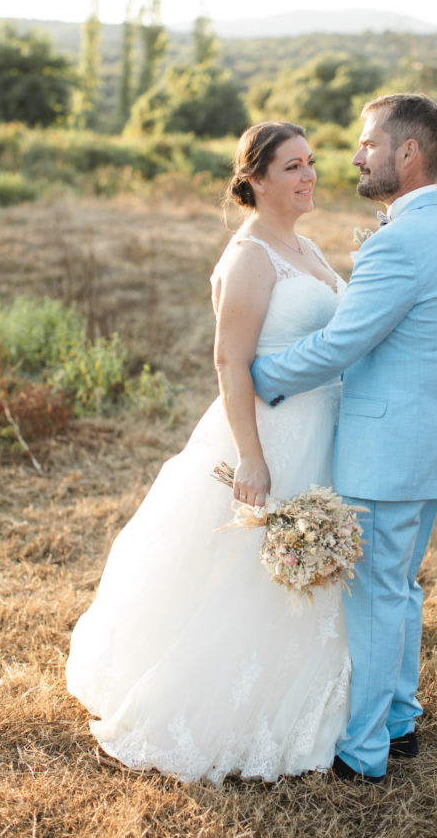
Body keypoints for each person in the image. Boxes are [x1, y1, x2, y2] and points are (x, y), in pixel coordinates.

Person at [66, 121, 351, 783]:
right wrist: (251, 458)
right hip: (268, 434)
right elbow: (230, 361)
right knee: (247, 572)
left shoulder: (305, 246)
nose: (309, 176)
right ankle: (223, 711)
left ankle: (316, 700)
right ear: (254, 179)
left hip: (322, 430)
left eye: (311, 163)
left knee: (309, 566)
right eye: (291, 167)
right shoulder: (249, 255)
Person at [251, 94, 437, 783]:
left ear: (405, 153)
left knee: (379, 595)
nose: (354, 156)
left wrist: (257, 372)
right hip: (431, 443)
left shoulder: (400, 241)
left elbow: (340, 345)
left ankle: (362, 751)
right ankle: (399, 721)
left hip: (386, 453)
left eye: (365, 143)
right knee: (399, 588)